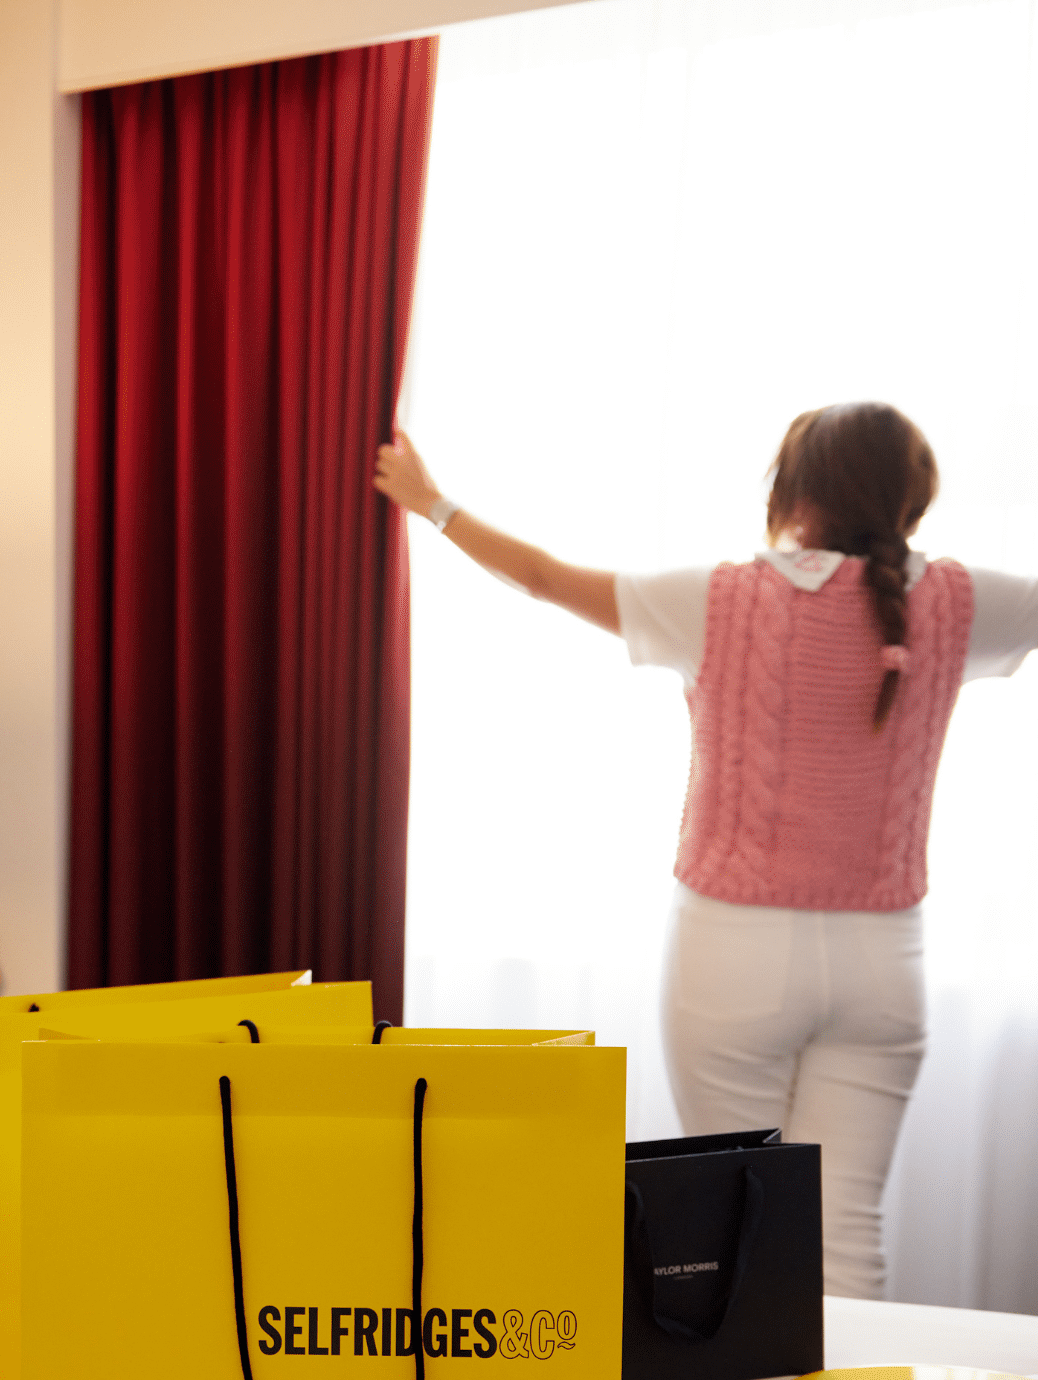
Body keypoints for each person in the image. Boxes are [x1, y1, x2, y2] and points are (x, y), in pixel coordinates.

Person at [374, 405, 1038, 1297]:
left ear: (792, 491)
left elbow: (541, 577)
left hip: (734, 953)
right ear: (911, 498)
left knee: (732, 1224)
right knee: (845, 1240)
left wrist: (434, 504)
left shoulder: (721, 597)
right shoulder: (962, 602)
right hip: (886, 960)